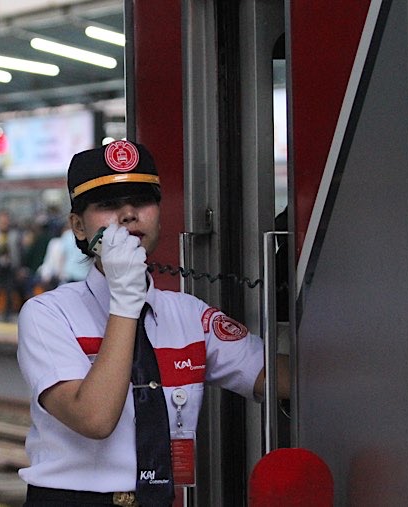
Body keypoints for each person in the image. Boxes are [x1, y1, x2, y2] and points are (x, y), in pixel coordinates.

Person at [16, 140, 289, 506]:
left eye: (142, 201)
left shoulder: (191, 315)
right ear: (79, 227)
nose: (128, 215)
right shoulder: (48, 314)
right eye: (108, 205)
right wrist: (125, 301)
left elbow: (285, 379)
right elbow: (94, 418)